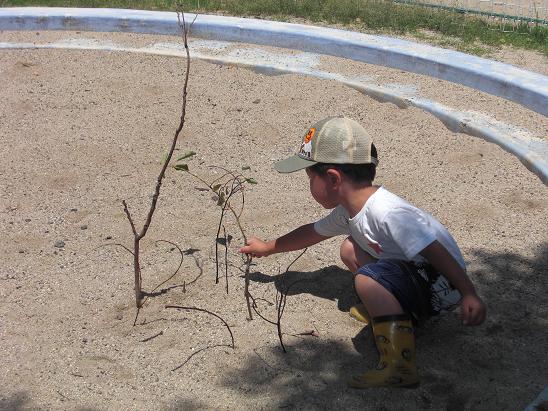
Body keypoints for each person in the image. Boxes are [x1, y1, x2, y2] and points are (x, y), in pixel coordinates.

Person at [239, 116, 486, 388]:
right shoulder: (350, 210)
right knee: (350, 248)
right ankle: (399, 314)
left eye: (310, 178)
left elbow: (434, 249)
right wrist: (269, 247)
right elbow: (312, 232)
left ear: (333, 179)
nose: (308, 185)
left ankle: (399, 365)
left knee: (366, 278)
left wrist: (468, 292)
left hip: (441, 286)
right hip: (416, 274)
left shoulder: (387, 212)